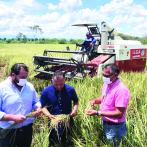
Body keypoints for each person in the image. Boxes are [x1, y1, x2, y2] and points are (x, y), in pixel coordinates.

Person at [86, 64, 130, 147]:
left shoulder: (121, 90)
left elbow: (119, 114)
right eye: (103, 74)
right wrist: (95, 101)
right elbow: (104, 97)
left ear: (115, 75)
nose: (103, 77)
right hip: (106, 124)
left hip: (115, 127)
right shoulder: (107, 84)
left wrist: (97, 113)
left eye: (106, 75)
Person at [0, 63, 42, 147]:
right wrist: (13, 118)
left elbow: (36, 102)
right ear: (13, 75)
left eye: (26, 77)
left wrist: (38, 108)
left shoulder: (29, 86)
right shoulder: (2, 88)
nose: (25, 80)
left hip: (27, 129)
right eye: (22, 77)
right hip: (8, 132)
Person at [40, 71, 79, 147]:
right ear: (52, 81)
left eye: (61, 84)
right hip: (54, 123)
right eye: (56, 84)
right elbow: (43, 107)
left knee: (68, 142)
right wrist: (49, 115)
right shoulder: (46, 91)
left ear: (65, 80)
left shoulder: (70, 90)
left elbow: (76, 102)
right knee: (53, 143)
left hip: (68, 121)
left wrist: (75, 110)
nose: (59, 86)